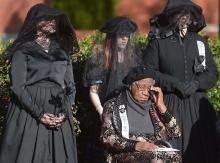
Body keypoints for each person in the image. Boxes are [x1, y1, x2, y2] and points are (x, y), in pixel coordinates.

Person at [0, 4, 79, 163]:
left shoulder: (62, 51)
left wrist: (65, 112)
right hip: (28, 110)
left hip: (57, 111)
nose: (52, 22)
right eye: (47, 18)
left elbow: (70, 86)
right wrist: (39, 114)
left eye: (54, 19)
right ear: (35, 21)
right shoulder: (23, 50)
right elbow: (18, 87)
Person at [143, 0, 219, 162]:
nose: (184, 17)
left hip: (198, 107)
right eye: (180, 13)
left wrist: (197, 83)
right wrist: (174, 83)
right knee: (170, 152)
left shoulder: (200, 42)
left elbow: (212, 73)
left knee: (201, 152)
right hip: (169, 105)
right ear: (171, 16)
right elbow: (148, 72)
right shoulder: (158, 42)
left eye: (187, 13)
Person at [82, 16, 140, 162]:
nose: (124, 39)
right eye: (121, 35)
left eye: (127, 36)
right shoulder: (101, 59)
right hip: (105, 114)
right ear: (112, 37)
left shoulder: (132, 59)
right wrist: (101, 112)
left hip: (128, 114)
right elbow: (93, 91)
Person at [101, 66, 181, 163]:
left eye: (149, 88)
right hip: (126, 153)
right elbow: (107, 137)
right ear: (130, 85)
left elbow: (175, 133)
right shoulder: (114, 105)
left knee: (174, 157)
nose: (146, 93)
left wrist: (161, 106)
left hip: (155, 152)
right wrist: (136, 145)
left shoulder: (154, 107)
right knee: (157, 159)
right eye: (142, 87)